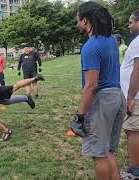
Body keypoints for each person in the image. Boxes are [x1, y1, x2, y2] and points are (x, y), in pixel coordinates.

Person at [70, 2, 126, 179]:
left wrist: (80, 115)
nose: (77, 23)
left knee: (99, 155)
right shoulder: (111, 40)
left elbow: (91, 86)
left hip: (103, 102)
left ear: (85, 21)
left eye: (78, 20)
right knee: (108, 150)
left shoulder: (90, 47)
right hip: (118, 96)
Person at [120, 10, 139, 179]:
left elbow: (137, 70)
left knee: (133, 131)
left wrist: (131, 97)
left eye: (131, 22)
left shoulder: (138, 41)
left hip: (136, 96)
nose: (129, 25)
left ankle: (135, 172)